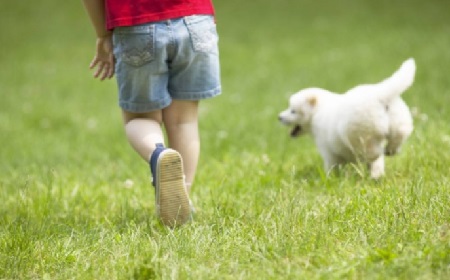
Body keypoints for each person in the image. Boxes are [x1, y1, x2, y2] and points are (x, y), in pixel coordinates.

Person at [82, 0, 221, 227]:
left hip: (137, 23)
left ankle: (158, 154)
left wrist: (102, 35)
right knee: (184, 121)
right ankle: (182, 203)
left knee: (140, 118)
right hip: (196, 21)